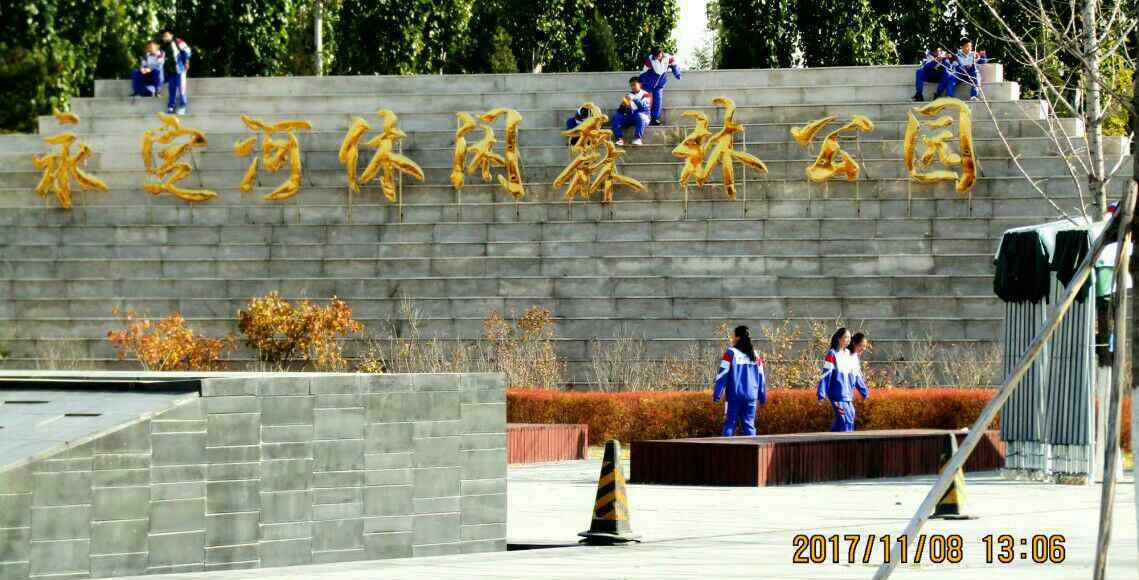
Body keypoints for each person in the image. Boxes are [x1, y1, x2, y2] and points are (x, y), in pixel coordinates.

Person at [712, 325, 767, 436]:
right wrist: (762, 396)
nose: (732, 338)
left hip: (734, 396)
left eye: (733, 336)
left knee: (730, 424)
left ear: (737, 337)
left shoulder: (730, 353)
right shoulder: (755, 355)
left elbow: (722, 374)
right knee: (749, 425)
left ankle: (725, 452)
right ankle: (753, 452)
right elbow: (761, 376)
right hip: (751, 396)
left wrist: (717, 394)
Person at [816, 327, 869, 432]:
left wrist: (864, 392)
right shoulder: (832, 354)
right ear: (839, 339)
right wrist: (821, 394)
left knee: (849, 418)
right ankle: (841, 445)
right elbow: (826, 375)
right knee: (844, 420)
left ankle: (835, 444)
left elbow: (856, 376)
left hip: (848, 395)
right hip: (837, 395)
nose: (848, 340)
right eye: (846, 337)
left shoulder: (850, 355)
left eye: (849, 337)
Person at [639, 47, 681, 126]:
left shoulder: (669, 58)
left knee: (657, 100)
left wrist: (677, 74)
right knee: (645, 100)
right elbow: (644, 72)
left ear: (661, 53)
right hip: (649, 81)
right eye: (655, 56)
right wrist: (641, 81)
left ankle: (654, 119)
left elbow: (674, 66)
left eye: (658, 55)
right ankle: (641, 118)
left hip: (660, 81)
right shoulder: (650, 60)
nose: (656, 57)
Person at [158, 29, 193, 115]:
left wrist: (187, 62)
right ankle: (171, 107)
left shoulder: (178, 42)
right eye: (163, 37)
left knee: (182, 89)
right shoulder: (162, 47)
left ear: (171, 35)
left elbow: (187, 50)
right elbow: (160, 59)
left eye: (166, 35)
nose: (165, 38)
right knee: (171, 90)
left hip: (180, 70)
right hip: (170, 73)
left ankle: (183, 106)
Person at [611, 76, 650, 146]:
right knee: (616, 116)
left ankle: (638, 138)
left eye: (634, 85)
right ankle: (619, 139)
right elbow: (621, 110)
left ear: (640, 84)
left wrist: (635, 99)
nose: (632, 87)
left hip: (643, 117)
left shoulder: (646, 94)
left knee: (640, 115)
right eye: (631, 85)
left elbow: (644, 108)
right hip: (631, 116)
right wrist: (624, 106)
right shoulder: (629, 95)